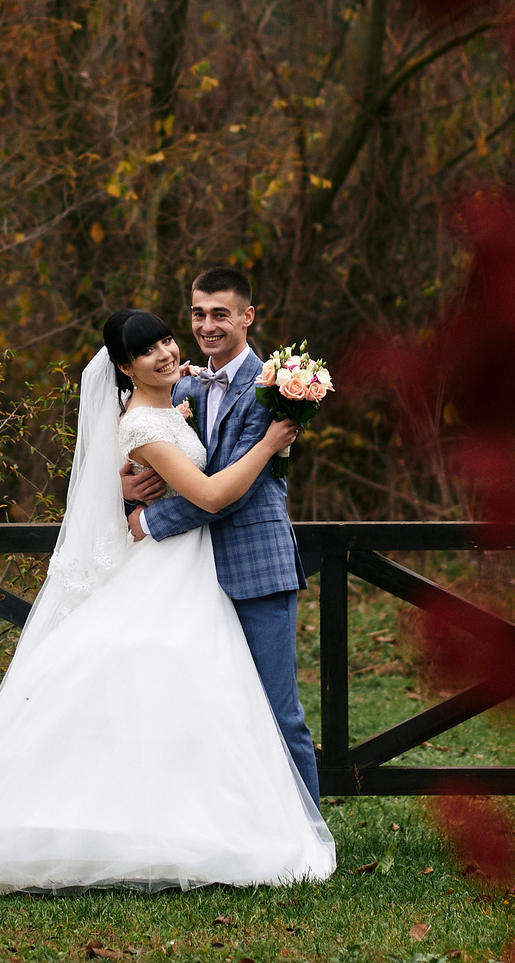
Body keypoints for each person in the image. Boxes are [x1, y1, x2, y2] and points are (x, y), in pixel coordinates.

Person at [0, 310, 336, 896]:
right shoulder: (140, 422)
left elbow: (172, 427)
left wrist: (131, 475)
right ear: (124, 367)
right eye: (147, 351)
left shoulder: (177, 395)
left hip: (193, 564)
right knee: (157, 685)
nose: (166, 353)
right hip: (169, 563)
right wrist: (269, 444)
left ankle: (197, 823)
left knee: (197, 697)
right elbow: (210, 493)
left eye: (166, 340)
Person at [124, 269, 316, 800]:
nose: (206, 325)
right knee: (210, 712)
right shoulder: (181, 385)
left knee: (279, 712)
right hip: (190, 574)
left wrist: (149, 522)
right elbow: (150, 456)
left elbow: (228, 491)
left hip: (255, 566)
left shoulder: (274, 391)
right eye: (197, 314)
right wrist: (128, 489)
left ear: (247, 317)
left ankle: (308, 832)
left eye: (220, 314)